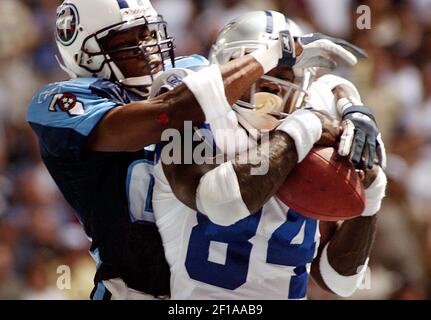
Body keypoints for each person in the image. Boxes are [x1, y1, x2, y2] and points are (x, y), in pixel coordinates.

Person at [27, 1, 355, 300]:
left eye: (149, 34)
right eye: (127, 41)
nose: (147, 48)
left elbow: (301, 90)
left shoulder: (194, 73)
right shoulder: (61, 104)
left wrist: (349, 104)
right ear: (84, 54)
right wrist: (269, 53)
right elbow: (166, 114)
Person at [152, 10, 387, 299]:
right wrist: (305, 127)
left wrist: (372, 192)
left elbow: (340, 281)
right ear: (228, 67)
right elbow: (220, 203)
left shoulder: (310, 129)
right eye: (264, 74)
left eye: (286, 76)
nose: (276, 87)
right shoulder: (194, 118)